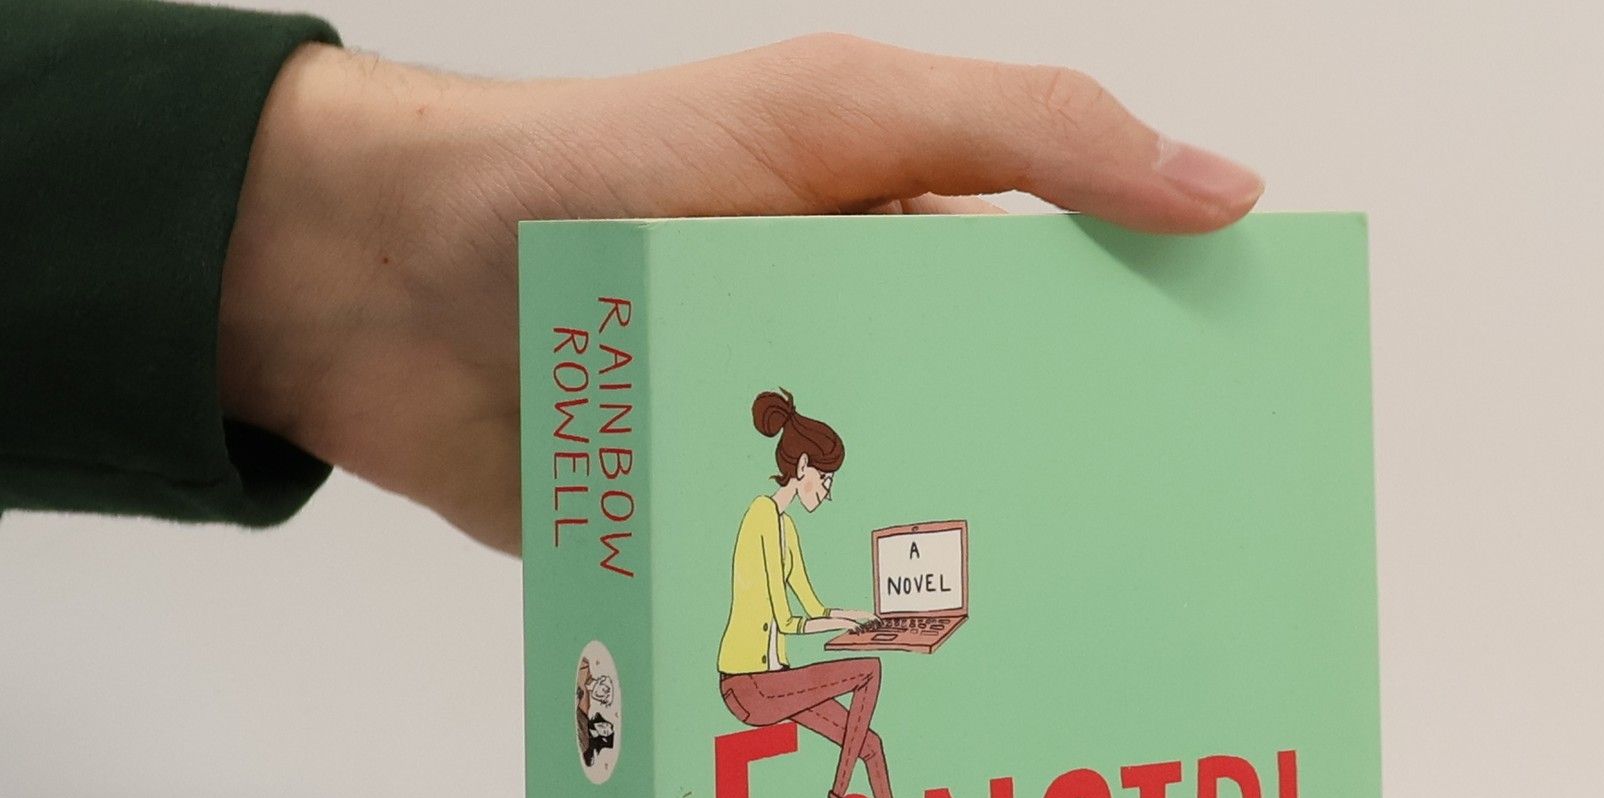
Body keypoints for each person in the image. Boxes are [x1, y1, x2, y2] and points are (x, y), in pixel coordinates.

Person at [1, 4, 1264, 545]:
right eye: (821, 478)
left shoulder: (776, 523)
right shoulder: (765, 525)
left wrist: (347, 255)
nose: (823, 492)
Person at [718, 390, 927, 798]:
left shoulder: (787, 529)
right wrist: (836, 625)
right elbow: (786, 619)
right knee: (869, 671)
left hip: (774, 682)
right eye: (826, 479)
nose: (828, 491)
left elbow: (811, 606)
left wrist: (855, 617)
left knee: (870, 744)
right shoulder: (761, 516)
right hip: (748, 685)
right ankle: (837, 797)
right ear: (803, 466)